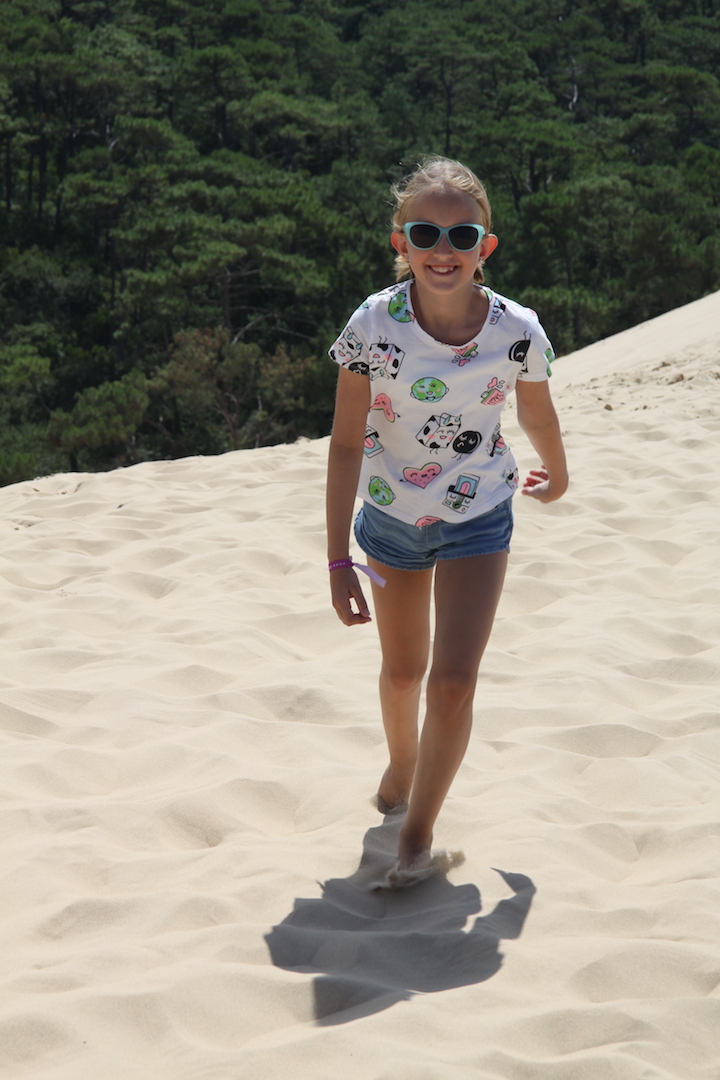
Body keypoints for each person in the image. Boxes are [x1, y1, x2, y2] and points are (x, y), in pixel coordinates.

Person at [326, 156, 568, 881]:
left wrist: (558, 472)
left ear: (484, 248)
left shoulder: (517, 329)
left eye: (461, 236)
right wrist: (337, 559)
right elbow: (345, 443)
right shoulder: (372, 324)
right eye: (425, 233)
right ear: (399, 242)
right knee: (403, 676)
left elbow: (536, 411)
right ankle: (402, 765)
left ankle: (416, 836)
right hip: (391, 521)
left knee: (453, 683)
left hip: (480, 517)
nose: (443, 249)